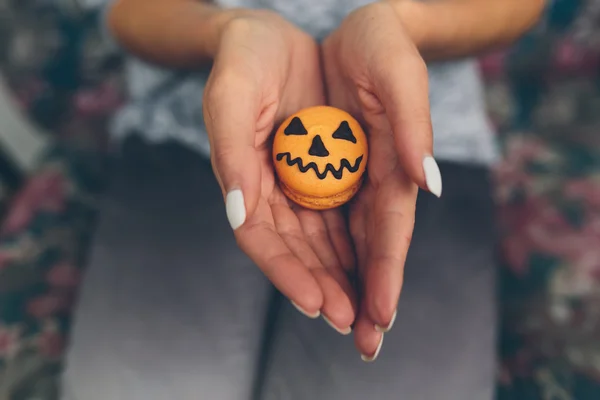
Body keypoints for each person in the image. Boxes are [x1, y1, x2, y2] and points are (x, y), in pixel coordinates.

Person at [62, 0, 545, 399]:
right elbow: (122, 9)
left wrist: (404, 22)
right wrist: (225, 30)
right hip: (188, 130)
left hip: (411, 140)